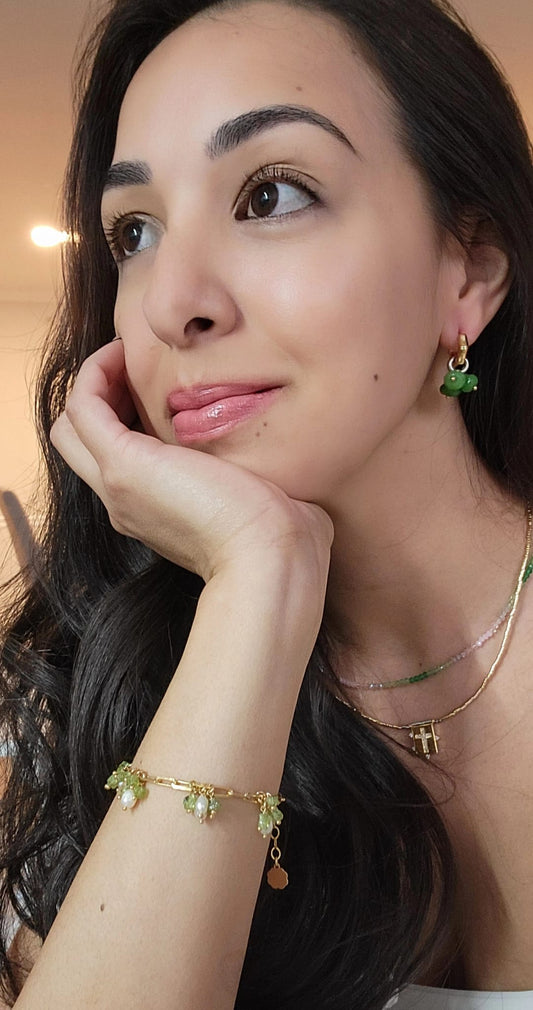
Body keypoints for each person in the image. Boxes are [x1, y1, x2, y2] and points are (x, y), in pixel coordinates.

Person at [1, 0, 532, 1006]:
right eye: (136, 231)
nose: (172, 301)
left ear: (471, 267)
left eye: (270, 194)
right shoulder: (104, 687)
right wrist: (256, 580)